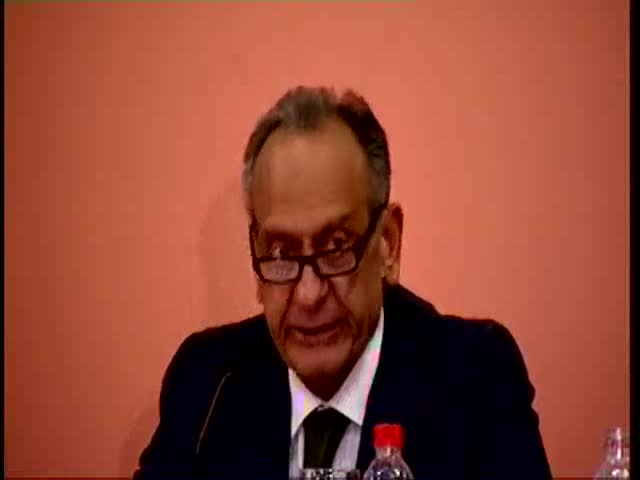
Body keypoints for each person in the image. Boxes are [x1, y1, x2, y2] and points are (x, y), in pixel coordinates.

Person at [133, 86, 552, 479]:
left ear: (387, 243)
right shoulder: (207, 383)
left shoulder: (475, 380)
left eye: (336, 247)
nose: (309, 294)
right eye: (280, 253)